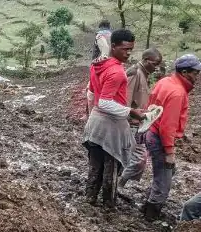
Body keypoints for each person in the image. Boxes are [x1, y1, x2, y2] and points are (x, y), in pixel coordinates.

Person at [82, 29, 144, 209]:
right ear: (114, 46)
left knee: (95, 165)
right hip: (110, 126)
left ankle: (89, 199)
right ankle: (108, 205)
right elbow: (105, 103)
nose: (128, 53)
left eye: (131, 49)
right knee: (111, 167)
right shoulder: (116, 71)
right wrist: (132, 112)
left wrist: (90, 117)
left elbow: (92, 93)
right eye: (125, 49)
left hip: (95, 124)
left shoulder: (96, 65)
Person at [141, 54, 201, 220]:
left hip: (152, 132)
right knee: (164, 182)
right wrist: (170, 152)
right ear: (184, 72)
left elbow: (150, 106)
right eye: (195, 73)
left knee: (163, 175)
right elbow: (168, 126)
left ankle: (147, 206)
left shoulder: (165, 82)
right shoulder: (177, 93)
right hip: (160, 138)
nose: (197, 76)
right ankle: (150, 218)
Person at [118, 48, 163, 189]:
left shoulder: (144, 74)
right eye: (154, 64)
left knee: (134, 158)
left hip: (139, 123)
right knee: (137, 158)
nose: (156, 68)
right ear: (145, 60)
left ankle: (119, 184)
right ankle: (118, 184)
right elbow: (125, 101)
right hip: (130, 123)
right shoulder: (135, 73)